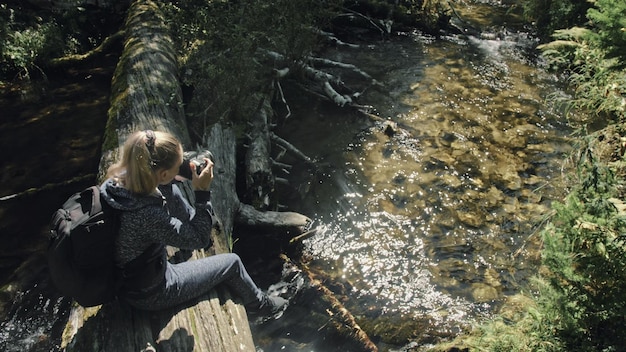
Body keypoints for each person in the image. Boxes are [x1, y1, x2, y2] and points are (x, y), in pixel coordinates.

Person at [100, 129, 286, 317]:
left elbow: (164, 183)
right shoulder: (147, 215)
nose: (179, 169)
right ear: (163, 174)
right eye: (176, 167)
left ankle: (194, 219)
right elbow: (198, 239)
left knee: (169, 188)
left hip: (125, 276)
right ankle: (261, 306)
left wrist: (180, 170)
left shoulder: (120, 181)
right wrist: (202, 192)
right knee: (233, 263)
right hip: (150, 293)